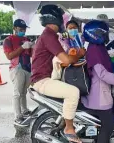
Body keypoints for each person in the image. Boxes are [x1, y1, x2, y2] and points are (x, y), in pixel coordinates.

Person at [30, 5, 84, 143]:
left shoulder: (49, 35)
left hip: (45, 77)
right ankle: (69, 129)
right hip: (42, 80)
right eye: (61, 18)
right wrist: (79, 54)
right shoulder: (49, 35)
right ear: (55, 18)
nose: (62, 22)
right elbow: (66, 59)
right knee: (73, 92)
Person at [81, 20, 114, 143]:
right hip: (99, 97)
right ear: (97, 34)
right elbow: (103, 75)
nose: (107, 36)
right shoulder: (95, 50)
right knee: (108, 126)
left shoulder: (97, 48)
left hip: (100, 92)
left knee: (102, 126)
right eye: (105, 33)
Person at [3, 19, 34, 125]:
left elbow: (31, 54)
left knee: (24, 92)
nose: (23, 31)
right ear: (14, 28)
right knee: (17, 93)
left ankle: (25, 110)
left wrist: (34, 47)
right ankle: (17, 116)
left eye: (24, 29)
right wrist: (22, 47)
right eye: (21, 29)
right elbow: (9, 56)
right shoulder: (8, 40)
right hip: (17, 68)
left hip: (27, 68)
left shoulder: (27, 39)